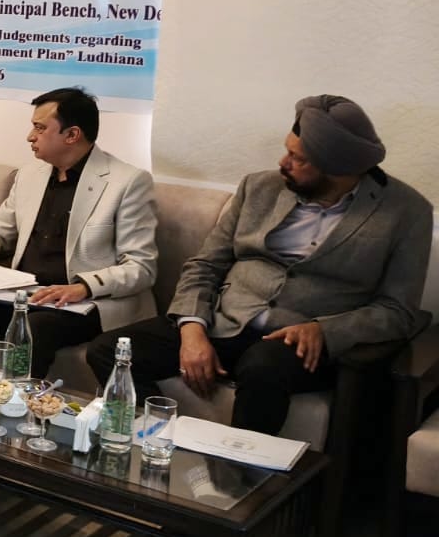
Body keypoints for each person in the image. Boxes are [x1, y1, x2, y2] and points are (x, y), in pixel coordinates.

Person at [86, 95, 432, 435]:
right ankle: (160, 441)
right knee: (109, 350)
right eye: (287, 150)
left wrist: (325, 330)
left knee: (262, 368)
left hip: (296, 344)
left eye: (298, 158)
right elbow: (205, 264)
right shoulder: (259, 187)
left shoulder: (406, 212)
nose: (283, 162)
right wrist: (191, 328)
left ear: (337, 168)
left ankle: (237, 469)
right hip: (225, 321)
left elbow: (398, 310)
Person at [0, 87, 157, 378]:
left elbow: (141, 267)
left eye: (40, 128)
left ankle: (17, 400)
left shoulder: (127, 182)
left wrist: (83, 287)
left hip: (85, 301)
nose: (30, 137)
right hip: (27, 293)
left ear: (72, 135)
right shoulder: (30, 174)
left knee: (35, 328)